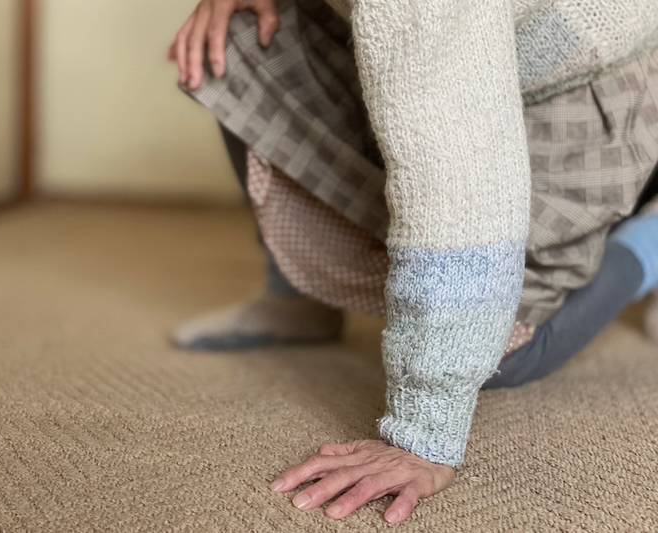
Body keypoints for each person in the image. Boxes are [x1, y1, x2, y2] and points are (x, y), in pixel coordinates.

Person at [168, 0, 658, 523]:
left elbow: (457, 182)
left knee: (496, 349)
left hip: (578, 70)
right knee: (235, 31)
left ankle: (648, 241)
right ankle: (296, 293)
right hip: (449, 48)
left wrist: (425, 427)